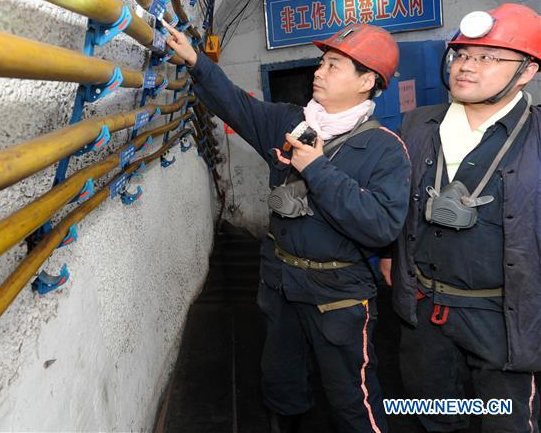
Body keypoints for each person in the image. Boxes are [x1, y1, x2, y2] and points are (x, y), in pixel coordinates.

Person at [166, 22, 411, 433]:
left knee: (352, 395)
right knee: (280, 381)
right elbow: (236, 105)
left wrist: (316, 169)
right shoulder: (290, 122)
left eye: (334, 65)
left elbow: (381, 227)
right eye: (322, 62)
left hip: (338, 294)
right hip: (280, 280)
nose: (319, 71)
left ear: (367, 81)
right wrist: (197, 63)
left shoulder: (384, 149)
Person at [384, 3, 540, 432]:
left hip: (505, 319)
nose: (467, 66)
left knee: (507, 423)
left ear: (526, 71)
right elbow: (396, 203)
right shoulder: (416, 125)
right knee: (431, 418)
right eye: (462, 54)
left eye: (488, 57)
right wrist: (390, 259)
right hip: (424, 313)